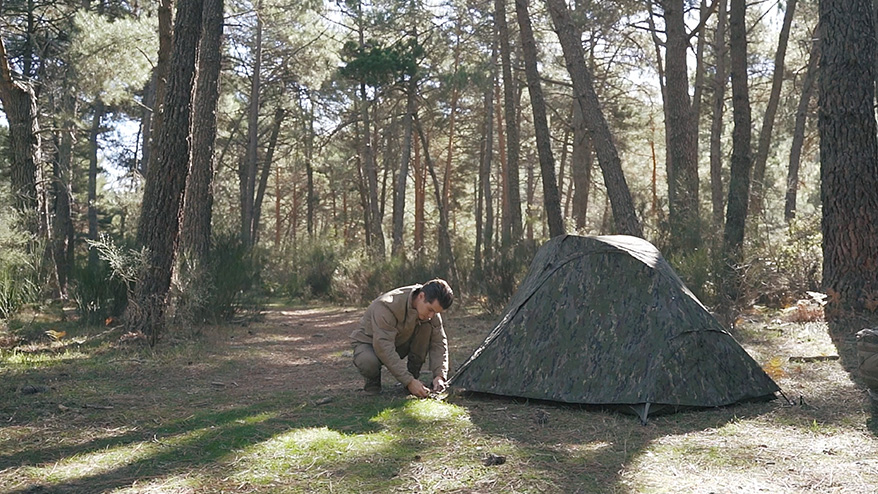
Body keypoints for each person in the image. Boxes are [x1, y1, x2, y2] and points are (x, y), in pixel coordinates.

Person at [350, 279, 454, 397]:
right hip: (370, 344)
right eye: (430, 310)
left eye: (435, 313)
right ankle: (373, 383)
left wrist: (439, 376)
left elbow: (439, 342)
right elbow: (384, 347)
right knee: (367, 361)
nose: (431, 316)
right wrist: (408, 381)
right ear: (421, 296)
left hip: (400, 342)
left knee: (427, 327)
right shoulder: (386, 306)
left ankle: (414, 375)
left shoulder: (430, 309)